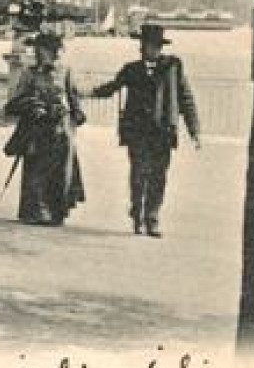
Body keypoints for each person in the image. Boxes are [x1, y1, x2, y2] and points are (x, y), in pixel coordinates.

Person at [86, 23, 202, 238]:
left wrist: (195, 131)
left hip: (162, 132)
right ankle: (137, 216)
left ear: (160, 47)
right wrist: (87, 92)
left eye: (154, 46)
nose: (149, 49)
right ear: (141, 46)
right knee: (139, 173)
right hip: (137, 132)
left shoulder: (173, 69)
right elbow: (112, 88)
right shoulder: (131, 70)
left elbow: (186, 99)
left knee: (159, 176)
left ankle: (152, 218)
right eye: (146, 45)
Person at [2, 32, 86, 226]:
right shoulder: (29, 74)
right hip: (37, 130)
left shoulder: (65, 71)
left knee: (60, 173)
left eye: (45, 50)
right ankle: (36, 211)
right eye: (39, 50)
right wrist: (32, 105)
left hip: (60, 130)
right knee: (36, 171)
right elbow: (13, 103)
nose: (40, 53)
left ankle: (57, 212)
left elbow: (74, 100)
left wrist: (75, 114)